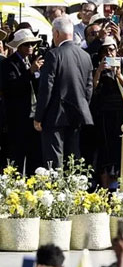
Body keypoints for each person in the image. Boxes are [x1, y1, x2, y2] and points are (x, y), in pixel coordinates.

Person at [34, 17, 93, 168]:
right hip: (77, 113)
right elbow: (89, 88)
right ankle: (74, 190)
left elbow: (46, 88)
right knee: (73, 159)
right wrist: (83, 106)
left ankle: (56, 191)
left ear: (57, 33)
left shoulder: (54, 54)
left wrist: (39, 116)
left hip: (54, 115)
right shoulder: (85, 56)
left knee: (54, 161)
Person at [90, 37, 123, 188]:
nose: (109, 52)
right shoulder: (97, 67)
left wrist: (119, 74)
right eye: (106, 50)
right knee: (105, 152)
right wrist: (99, 71)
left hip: (122, 114)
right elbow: (92, 88)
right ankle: (105, 189)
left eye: (112, 49)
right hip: (104, 114)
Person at [1, 29, 43, 173]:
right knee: (16, 158)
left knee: (34, 157)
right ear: (19, 46)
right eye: (27, 44)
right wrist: (30, 72)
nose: (30, 47)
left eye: (32, 44)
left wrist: (36, 72)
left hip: (33, 116)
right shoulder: (8, 64)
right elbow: (11, 88)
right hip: (17, 117)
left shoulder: (32, 61)